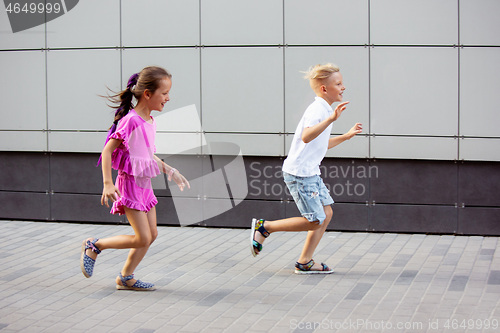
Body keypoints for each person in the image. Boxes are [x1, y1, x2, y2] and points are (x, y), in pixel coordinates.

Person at [80, 66, 190, 290]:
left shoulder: (150, 121)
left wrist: (170, 170)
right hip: (129, 185)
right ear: (148, 94)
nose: (168, 98)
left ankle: (125, 277)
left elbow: (146, 156)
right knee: (142, 237)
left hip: (144, 185)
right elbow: (107, 151)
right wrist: (107, 183)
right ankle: (94, 245)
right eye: (165, 93)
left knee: (151, 235)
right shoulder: (130, 121)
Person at [251, 63, 362, 274]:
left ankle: (304, 261)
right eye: (338, 84)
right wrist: (331, 119)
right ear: (324, 89)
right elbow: (307, 135)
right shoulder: (318, 110)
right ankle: (265, 228)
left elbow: (321, 143)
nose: (343, 87)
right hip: (300, 174)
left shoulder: (325, 109)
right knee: (315, 220)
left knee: (326, 214)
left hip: (310, 173)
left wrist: (346, 136)